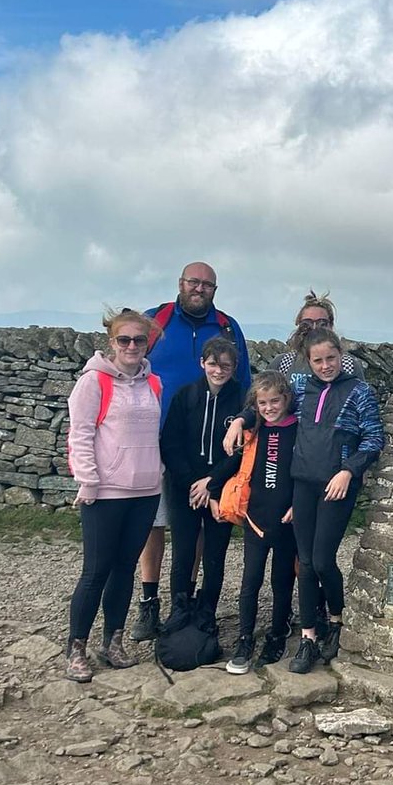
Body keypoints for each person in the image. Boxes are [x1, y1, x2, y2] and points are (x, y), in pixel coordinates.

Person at [131, 261, 250, 642]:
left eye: (207, 284)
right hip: (158, 438)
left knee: (201, 536)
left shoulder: (228, 327)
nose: (199, 289)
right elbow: (129, 366)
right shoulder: (155, 320)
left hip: (216, 457)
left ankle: (195, 606)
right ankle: (151, 602)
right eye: (193, 282)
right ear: (180, 283)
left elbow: (246, 388)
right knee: (156, 524)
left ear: (215, 289)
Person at [65, 309, 163, 681]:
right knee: (96, 571)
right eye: (125, 340)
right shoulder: (93, 382)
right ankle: (76, 647)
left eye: (140, 339)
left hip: (146, 490)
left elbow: (152, 436)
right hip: (105, 492)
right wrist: (88, 482)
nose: (133, 346)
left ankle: (113, 642)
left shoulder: (154, 383)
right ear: (112, 342)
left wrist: (159, 473)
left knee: (125, 568)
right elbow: (81, 434)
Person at [287, 329, 385, 674]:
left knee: (323, 560)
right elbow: (269, 412)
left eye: (331, 358)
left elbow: (373, 438)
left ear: (341, 355)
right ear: (308, 361)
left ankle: (337, 620)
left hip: (337, 485)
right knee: (305, 562)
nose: (326, 365)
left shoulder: (359, 391)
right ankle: (308, 637)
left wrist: (348, 471)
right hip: (302, 483)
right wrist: (240, 421)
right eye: (318, 360)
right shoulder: (299, 388)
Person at [207, 371, 298, 673]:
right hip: (255, 518)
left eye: (275, 401)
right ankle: (245, 638)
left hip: (287, 520)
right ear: (255, 405)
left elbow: (306, 469)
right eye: (263, 402)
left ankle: (277, 633)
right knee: (250, 581)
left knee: (282, 581)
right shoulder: (253, 431)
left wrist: (299, 503)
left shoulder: (298, 429)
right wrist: (211, 487)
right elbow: (233, 463)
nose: (270, 407)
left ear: (286, 398)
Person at [158, 337, 244, 626]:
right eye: (213, 364)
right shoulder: (185, 396)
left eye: (226, 366)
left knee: (215, 555)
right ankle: (179, 610)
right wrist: (193, 483)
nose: (219, 371)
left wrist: (212, 483)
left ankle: (207, 612)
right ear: (202, 364)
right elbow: (171, 443)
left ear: (234, 368)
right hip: (185, 488)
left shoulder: (242, 401)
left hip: (221, 488)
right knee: (183, 552)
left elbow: (241, 452)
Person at [222, 289, 363, 454]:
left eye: (322, 323)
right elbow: (259, 402)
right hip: (285, 449)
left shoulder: (348, 365)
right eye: (307, 323)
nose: (314, 328)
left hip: (333, 454)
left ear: (331, 326)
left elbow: (360, 415)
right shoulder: (283, 363)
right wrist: (240, 420)